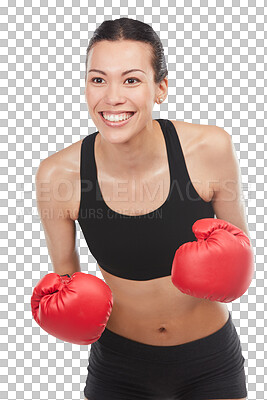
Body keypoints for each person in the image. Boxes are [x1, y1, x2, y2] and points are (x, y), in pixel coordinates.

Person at [35, 17, 251, 400]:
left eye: (131, 79)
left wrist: (229, 267)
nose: (112, 97)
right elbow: (66, 281)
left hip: (210, 362)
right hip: (119, 367)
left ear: (160, 88)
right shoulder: (58, 176)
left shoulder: (209, 149)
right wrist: (67, 314)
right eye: (98, 79)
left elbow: (240, 250)